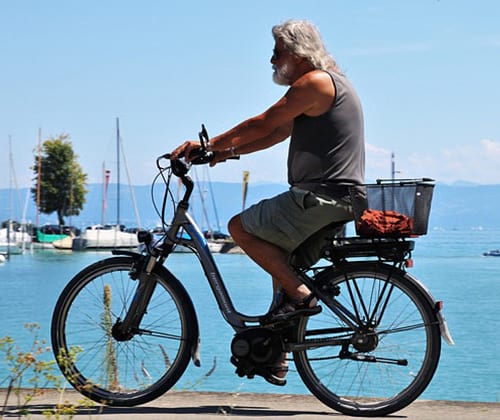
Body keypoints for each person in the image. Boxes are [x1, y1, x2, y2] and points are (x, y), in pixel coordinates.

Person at [171, 19, 365, 385]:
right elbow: (277, 132)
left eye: (277, 52)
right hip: (339, 198)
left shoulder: (316, 82)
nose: (272, 59)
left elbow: (264, 121)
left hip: (322, 195)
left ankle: (303, 296)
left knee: (239, 227)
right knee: (281, 264)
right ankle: (276, 357)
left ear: (295, 52)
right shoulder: (326, 87)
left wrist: (207, 145)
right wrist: (224, 154)